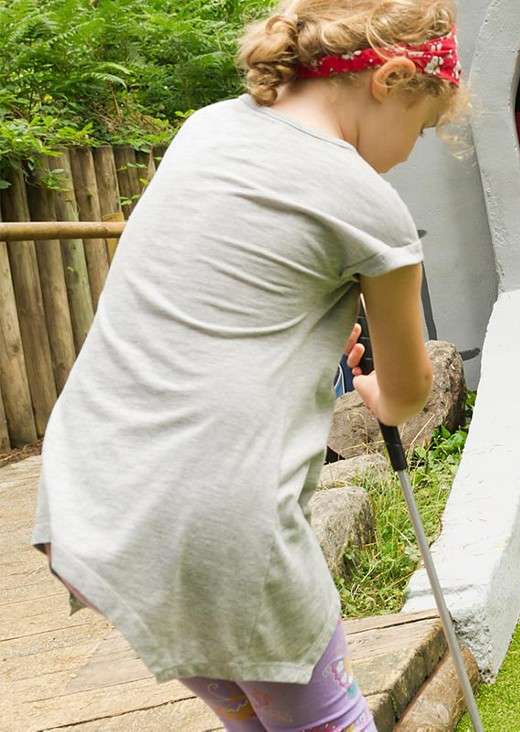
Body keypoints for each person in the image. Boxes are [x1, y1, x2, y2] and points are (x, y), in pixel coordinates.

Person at [31, 1, 466, 729]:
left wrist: (306, 343)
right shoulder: (371, 203)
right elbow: (407, 388)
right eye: (421, 129)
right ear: (390, 79)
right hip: (222, 525)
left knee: (262, 719)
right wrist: (376, 393)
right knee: (326, 722)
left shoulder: (207, 129)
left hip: (95, 493)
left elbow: (217, 303)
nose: (409, 152)